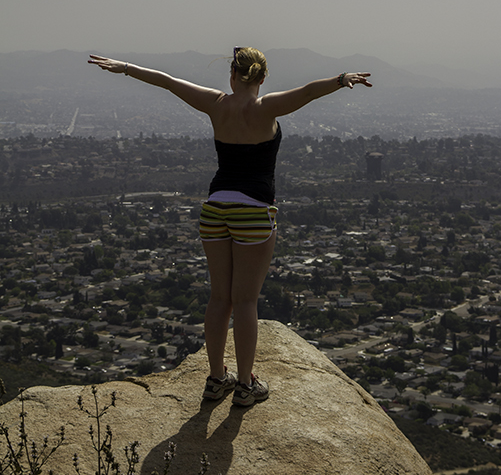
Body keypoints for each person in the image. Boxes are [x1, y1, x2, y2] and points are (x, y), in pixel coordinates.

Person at [89, 48, 371, 406]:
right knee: (246, 301)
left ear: (232, 76)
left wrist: (126, 67)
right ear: (262, 78)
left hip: (215, 208)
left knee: (219, 298)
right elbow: (308, 92)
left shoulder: (216, 104)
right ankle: (244, 386)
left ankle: (216, 379)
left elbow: (167, 81)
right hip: (253, 210)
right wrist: (341, 79)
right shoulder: (266, 107)